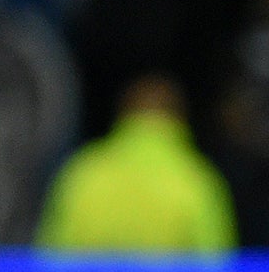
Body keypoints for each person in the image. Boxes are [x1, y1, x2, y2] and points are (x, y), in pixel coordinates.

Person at [38, 74, 237, 256]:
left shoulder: (83, 170)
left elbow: (52, 256)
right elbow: (216, 267)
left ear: (122, 116)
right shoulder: (197, 178)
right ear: (180, 120)